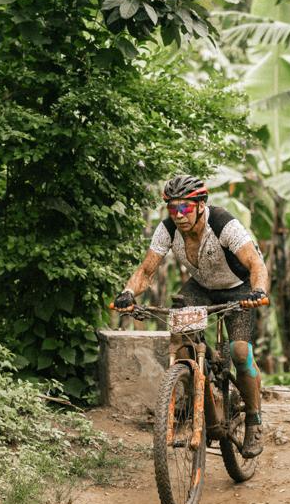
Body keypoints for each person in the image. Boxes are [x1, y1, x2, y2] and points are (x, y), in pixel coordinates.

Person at [114, 174, 271, 457]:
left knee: (238, 352)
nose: (178, 215)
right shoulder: (168, 229)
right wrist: (127, 293)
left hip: (239, 289)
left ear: (201, 204)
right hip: (201, 287)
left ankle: (253, 420)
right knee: (182, 339)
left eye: (185, 207)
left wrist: (257, 291)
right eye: (172, 208)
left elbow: (255, 263)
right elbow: (147, 270)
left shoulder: (223, 223)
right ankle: (191, 388)